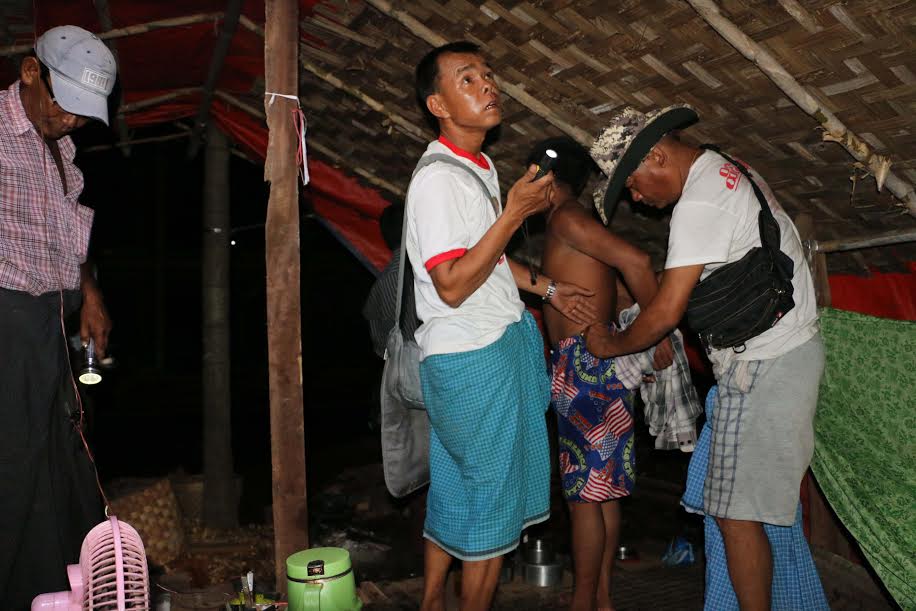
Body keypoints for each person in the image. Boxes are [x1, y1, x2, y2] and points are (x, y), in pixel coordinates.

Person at [585, 105, 824, 611]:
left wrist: (608, 345)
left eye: (631, 183)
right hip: (775, 360)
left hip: (762, 368)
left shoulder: (698, 205)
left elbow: (667, 311)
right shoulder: (726, 167)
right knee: (737, 506)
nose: (635, 197)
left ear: (656, 155)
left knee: (738, 514)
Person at [408, 42, 598, 611]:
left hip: (485, 345)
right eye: (468, 80)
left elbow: (484, 259)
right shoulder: (438, 181)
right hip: (473, 354)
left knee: (456, 486)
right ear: (438, 104)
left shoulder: (479, 167)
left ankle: (431, 601)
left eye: (489, 75)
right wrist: (514, 213)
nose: (488, 86)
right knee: (490, 500)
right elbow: (451, 283)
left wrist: (547, 288)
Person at [0, 26, 116, 608]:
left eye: (83, 113)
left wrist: (88, 296)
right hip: (7, 324)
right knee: (13, 462)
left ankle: (54, 588)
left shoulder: (62, 150)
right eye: (65, 105)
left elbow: (71, 243)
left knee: (58, 456)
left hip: (49, 325)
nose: (72, 121)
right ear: (30, 71)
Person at [534, 136, 673, 611]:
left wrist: (660, 333)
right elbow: (617, 291)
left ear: (547, 181)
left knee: (583, 498)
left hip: (584, 365)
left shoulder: (566, 216)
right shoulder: (574, 223)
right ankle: (604, 600)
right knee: (604, 491)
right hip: (598, 363)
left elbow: (636, 261)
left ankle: (581, 603)